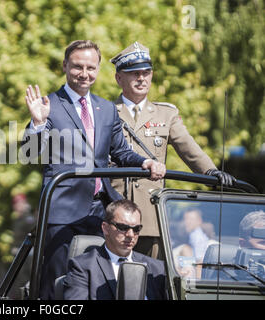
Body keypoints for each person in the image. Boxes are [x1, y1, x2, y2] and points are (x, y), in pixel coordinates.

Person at [22, 39, 166, 300]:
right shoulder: (49, 105)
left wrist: (145, 162)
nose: (84, 74)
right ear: (65, 66)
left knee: (99, 281)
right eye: (77, 67)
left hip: (101, 209)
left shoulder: (106, 108)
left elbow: (120, 152)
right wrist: (37, 122)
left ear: (99, 69)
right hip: (63, 210)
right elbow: (29, 154)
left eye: (91, 67)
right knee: (58, 283)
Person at [109, 41, 237, 259]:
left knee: (150, 278)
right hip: (114, 208)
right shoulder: (106, 111)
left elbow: (188, 147)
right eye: (134, 73)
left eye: (146, 72)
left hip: (149, 215)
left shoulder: (165, 114)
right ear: (119, 78)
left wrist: (210, 171)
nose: (141, 78)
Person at [63, 199, 168, 300]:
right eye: (123, 227)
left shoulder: (157, 269)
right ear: (105, 228)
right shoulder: (83, 267)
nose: (130, 235)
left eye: (136, 229)